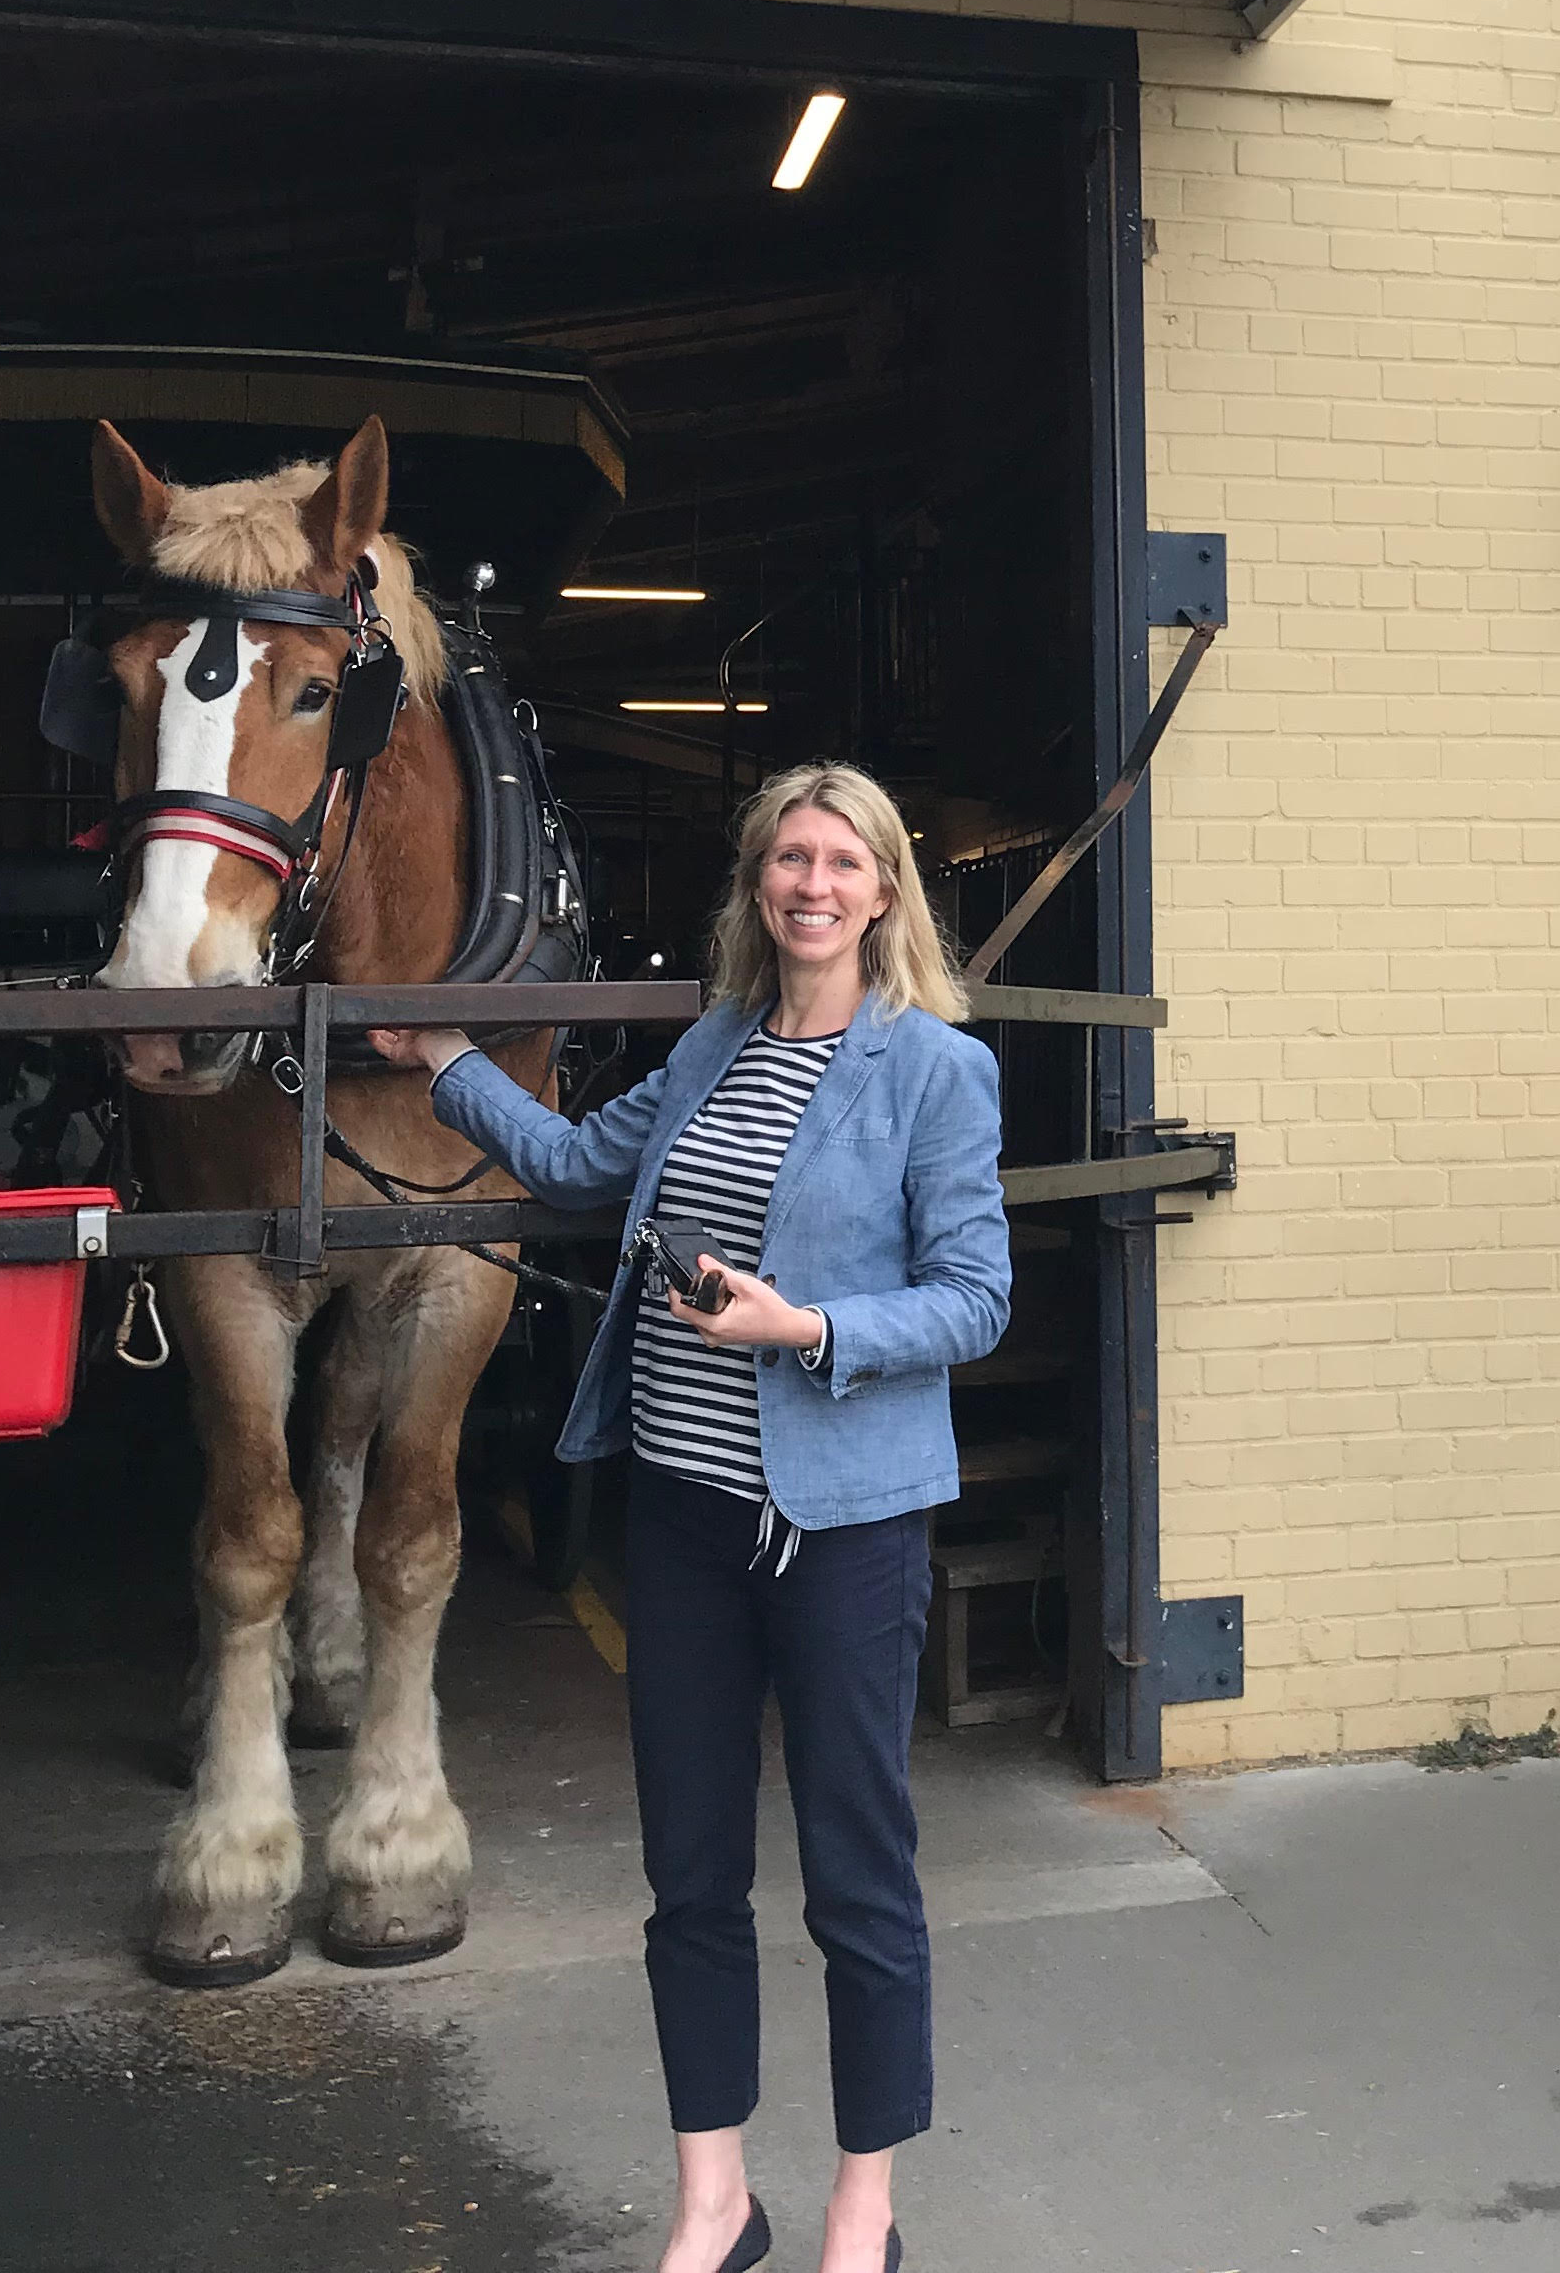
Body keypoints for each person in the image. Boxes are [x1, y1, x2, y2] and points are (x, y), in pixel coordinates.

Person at [370, 761, 1009, 2273]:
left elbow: (975, 1299)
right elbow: (590, 1167)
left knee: (859, 1875)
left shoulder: (932, 1070)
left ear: (885, 890)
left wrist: (806, 1330)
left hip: (842, 1529)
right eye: (789, 857)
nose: (811, 883)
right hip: (682, 1519)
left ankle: (866, 2210)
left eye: (841, 860)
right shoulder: (719, 1042)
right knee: (690, 1877)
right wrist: (451, 1060)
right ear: (757, 887)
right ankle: (715, 2199)